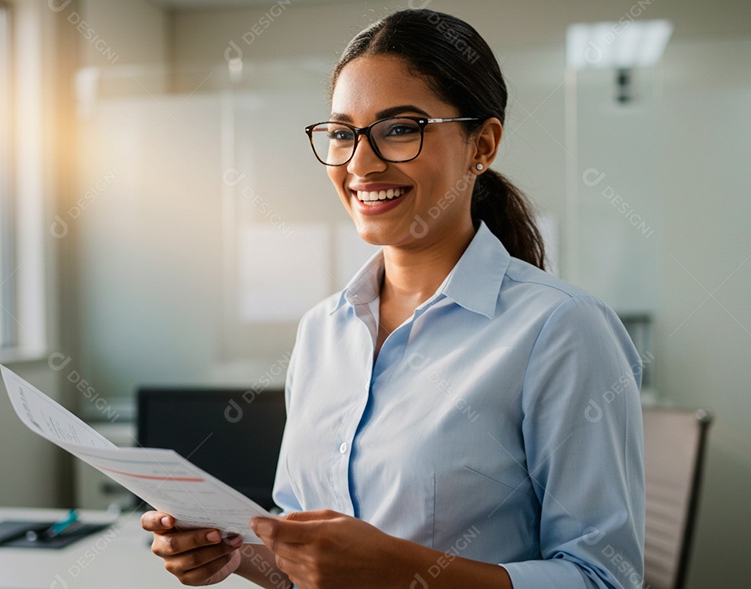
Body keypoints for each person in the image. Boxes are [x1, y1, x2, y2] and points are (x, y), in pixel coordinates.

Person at [143, 8, 644, 589]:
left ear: (482, 144)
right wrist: (229, 551)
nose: (361, 162)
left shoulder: (562, 329)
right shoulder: (323, 330)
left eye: (400, 128)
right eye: (341, 133)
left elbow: (605, 579)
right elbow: (308, 550)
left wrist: (408, 575)